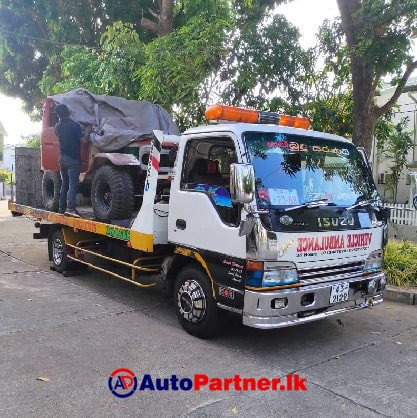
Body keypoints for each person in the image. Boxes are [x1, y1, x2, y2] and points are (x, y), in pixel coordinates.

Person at [54, 103, 91, 218]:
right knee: (72, 184)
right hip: (73, 159)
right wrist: (88, 131)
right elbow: (84, 141)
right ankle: (71, 209)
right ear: (68, 112)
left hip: (62, 158)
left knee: (64, 183)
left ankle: (62, 208)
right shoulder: (74, 126)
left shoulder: (57, 126)